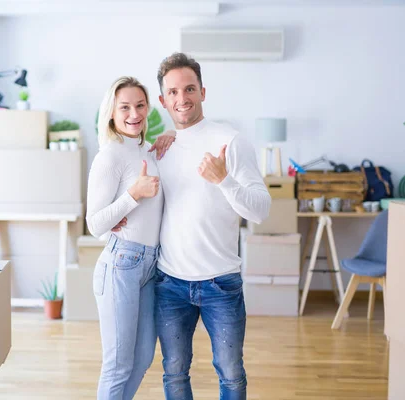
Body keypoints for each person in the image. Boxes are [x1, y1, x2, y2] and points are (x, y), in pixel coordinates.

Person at [150, 52, 271, 399]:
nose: (181, 99)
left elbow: (261, 210)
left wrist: (224, 181)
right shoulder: (162, 148)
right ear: (162, 100)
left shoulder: (230, 141)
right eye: (172, 92)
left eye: (189, 89)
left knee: (231, 374)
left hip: (221, 283)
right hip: (170, 282)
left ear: (203, 92)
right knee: (174, 372)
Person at [86, 76, 174, 400]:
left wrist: (171, 137)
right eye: (125, 107)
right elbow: (95, 224)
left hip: (150, 266)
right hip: (121, 263)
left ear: (148, 108)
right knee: (118, 363)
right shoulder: (108, 156)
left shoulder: (145, 150)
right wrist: (132, 195)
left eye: (140, 105)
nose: (134, 114)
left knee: (142, 359)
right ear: (112, 112)